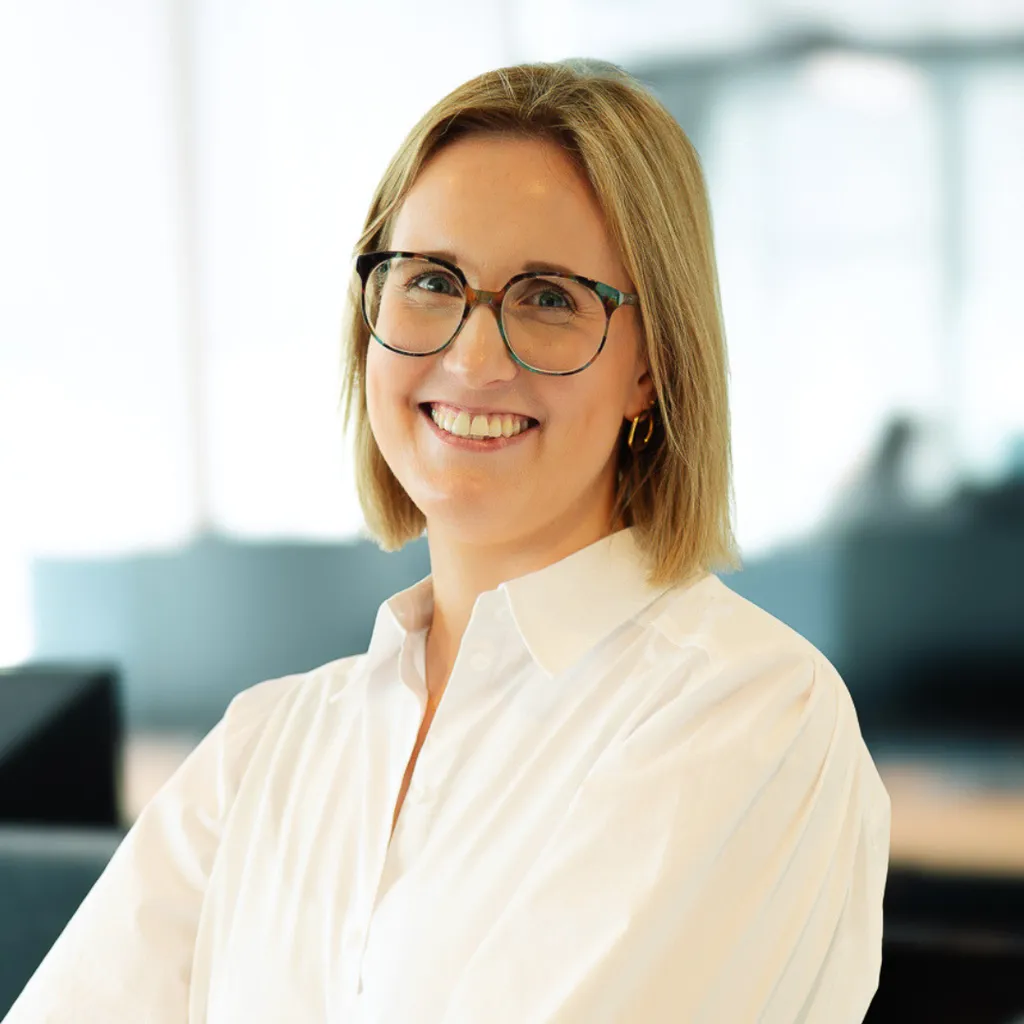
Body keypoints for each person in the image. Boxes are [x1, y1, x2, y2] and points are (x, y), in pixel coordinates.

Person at [4, 59, 891, 1023]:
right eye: (431, 280)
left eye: (550, 297)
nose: (472, 357)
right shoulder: (266, 748)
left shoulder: (749, 711)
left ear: (653, 369)